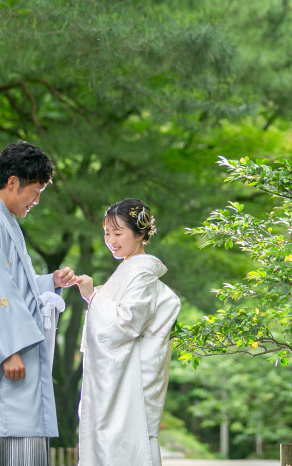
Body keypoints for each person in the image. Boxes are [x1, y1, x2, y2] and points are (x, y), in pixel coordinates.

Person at [0, 142, 78, 466]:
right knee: (3, 439)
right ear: (12, 183)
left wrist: (50, 281)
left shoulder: (2, 221)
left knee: (18, 436)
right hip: (5, 357)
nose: (36, 201)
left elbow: (11, 286)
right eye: (34, 192)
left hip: (12, 352)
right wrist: (8, 350)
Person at [75, 198, 182, 466]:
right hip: (125, 376)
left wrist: (92, 297)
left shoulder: (141, 273)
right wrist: (96, 296)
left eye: (118, 233)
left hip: (133, 380)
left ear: (141, 234)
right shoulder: (129, 269)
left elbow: (128, 322)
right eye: (106, 233)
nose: (110, 240)